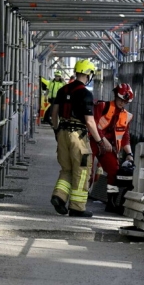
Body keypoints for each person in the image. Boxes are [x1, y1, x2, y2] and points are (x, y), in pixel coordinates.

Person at [49, 59, 111, 218]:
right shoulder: (85, 94)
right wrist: (99, 141)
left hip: (62, 132)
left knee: (67, 168)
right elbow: (90, 122)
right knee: (82, 170)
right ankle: (77, 207)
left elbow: (54, 114)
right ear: (89, 74)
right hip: (78, 135)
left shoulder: (62, 90)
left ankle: (59, 196)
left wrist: (57, 132)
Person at [91, 83, 135, 214]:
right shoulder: (103, 106)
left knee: (114, 171)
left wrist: (129, 154)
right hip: (94, 142)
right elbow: (93, 124)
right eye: (121, 99)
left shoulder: (126, 116)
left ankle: (111, 202)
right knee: (86, 172)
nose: (123, 103)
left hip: (108, 148)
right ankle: (77, 203)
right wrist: (103, 140)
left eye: (125, 101)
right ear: (115, 96)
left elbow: (125, 136)